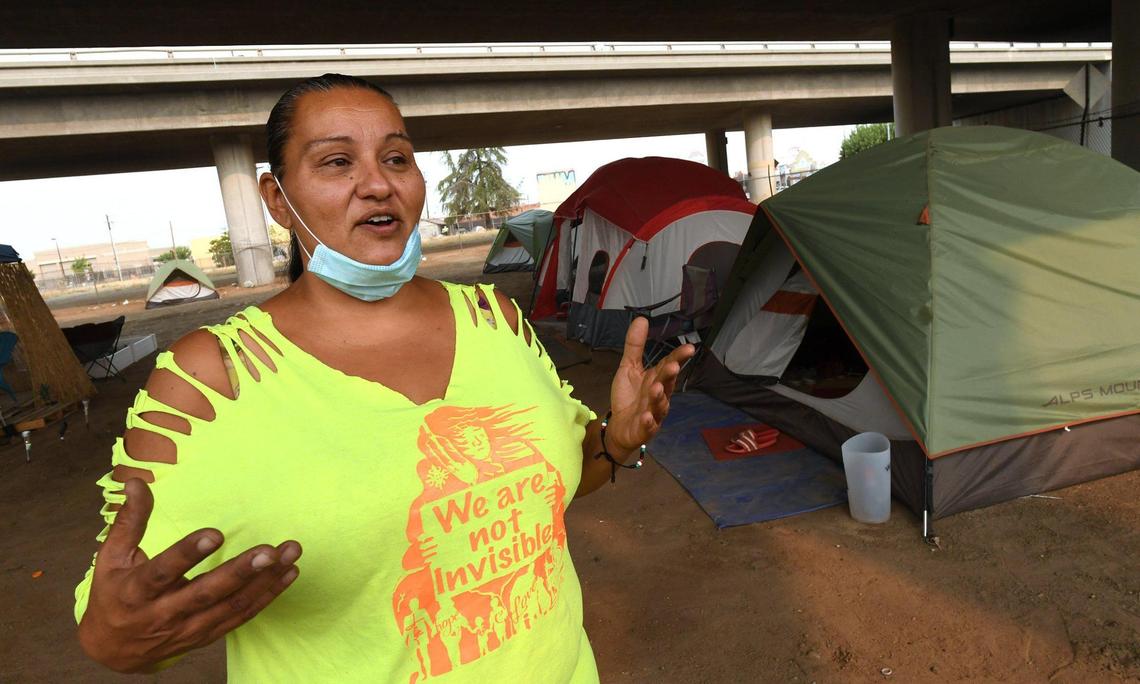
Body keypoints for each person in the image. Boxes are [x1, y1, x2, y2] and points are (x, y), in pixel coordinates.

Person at [74, 73, 694, 682]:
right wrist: (119, 635)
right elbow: (118, 619)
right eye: (337, 162)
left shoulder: (496, 322)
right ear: (276, 200)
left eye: (396, 158)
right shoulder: (213, 378)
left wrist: (614, 442)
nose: (377, 184)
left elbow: (547, 493)